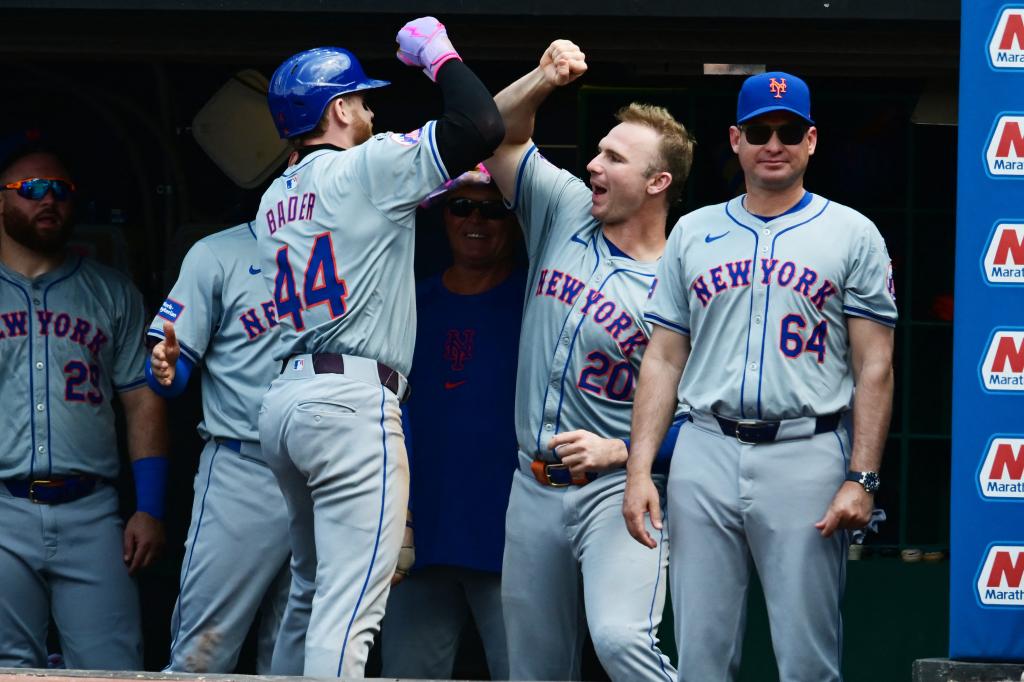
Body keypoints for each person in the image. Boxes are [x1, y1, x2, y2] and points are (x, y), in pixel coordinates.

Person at [624, 72, 896, 682]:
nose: (775, 143)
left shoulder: (852, 233)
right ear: (736, 140)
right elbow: (664, 357)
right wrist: (640, 469)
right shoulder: (692, 231)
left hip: (806, 450)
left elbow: (874, 365)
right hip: (705, 447)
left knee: (806, 658)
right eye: (760, 131)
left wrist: (863, 476)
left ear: (812, 140)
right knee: (700, 654)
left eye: (789, 130)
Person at [253, 17, 504, 678]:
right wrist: (439, 57)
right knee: (351, 606)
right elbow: (479, 124)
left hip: (285, 400)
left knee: (309, 592)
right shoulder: (366, 165)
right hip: (351, 403)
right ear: (336, 109)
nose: (369, 109)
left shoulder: (273, 196)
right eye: (359, 100)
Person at [484, 40, 691, 681]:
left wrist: (624, 452)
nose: (594, 165)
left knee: (621, 639)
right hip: (532, 487)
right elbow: (497, 134)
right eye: (598, 151)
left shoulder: (683, 280)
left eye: (613, 158)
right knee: (534, 670)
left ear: (658, 183)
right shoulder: (566, 209)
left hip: (619, 491)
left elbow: (709, 420)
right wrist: (542, 81)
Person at [0, 145, 168, 669]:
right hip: (2, 509)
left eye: (61, 190)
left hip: (92, 511)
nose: (48, 199)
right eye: (31, 190)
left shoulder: (111, 292)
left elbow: (142, 400)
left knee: (112, 668)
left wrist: (151, 506)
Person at [380, 166, 523, 680]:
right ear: (443, 216)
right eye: (461, 206)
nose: (475, 219)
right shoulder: (407, 302)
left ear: (516, 218)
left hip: (513, 535)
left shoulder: (539, 301)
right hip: (419, 533)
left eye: (493, 207)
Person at [146, 219, 291, 673]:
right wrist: (165, 370)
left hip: (327, 469)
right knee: (202, 653)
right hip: (244, 466)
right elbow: (172, 368)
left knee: (303, 658)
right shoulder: (217, 252)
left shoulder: (354, 246)